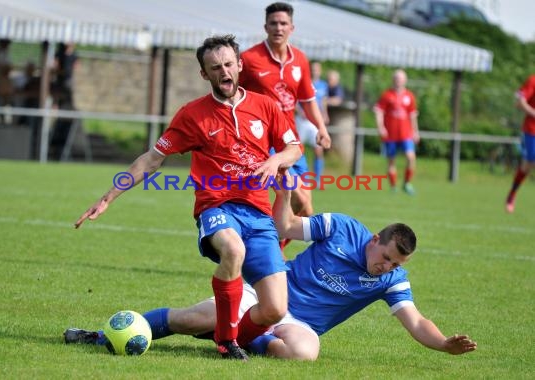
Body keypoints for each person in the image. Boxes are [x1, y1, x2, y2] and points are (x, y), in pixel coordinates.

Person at [65, 173, 477, 360]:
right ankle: (100, 336)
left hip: (301, 324)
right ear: (375, 240)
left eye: (395, 265)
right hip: (266, 294)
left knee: (303, 353)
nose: (385, 268)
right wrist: (282, 191)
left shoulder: (392, 280)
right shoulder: (344, 228)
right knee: (191, 318)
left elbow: (416, 321)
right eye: (385, 257)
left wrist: (442, 344)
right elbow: (285, 227)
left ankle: (242, 339)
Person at [73, 34, 302, 361]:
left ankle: (233, 338)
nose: (223, 72)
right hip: (217, 208)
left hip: (258, 214)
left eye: (227, 64)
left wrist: (274, 160)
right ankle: (226, 343)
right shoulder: (193, 115)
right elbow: (152, 159)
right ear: (204, 74)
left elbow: (294, 148)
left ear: (239, 65)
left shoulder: (266, 106)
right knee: (233, 250)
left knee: (275, 308)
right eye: (214, 68)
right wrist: (109, 196)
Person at [239, 2, 331, 249]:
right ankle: (268, 252)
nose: (278, 28)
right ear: (265, 26)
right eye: (273, 23)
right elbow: (233, 95)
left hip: (291, 141)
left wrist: (321, 128)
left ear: (292, 27)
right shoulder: (248, 59)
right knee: (297, 194)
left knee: (305, 207)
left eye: (283, 23)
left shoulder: (300, 59)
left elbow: (308, 100)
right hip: (263, 141)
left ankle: (270, 249)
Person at [374, 69, 420, 195]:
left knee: (411, 157)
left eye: (401, 79)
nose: (399, 81)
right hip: (391, 135)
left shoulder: (409, 96)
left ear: (405, 80)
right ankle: (393, 186)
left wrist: (415, 131)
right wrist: (380, 127)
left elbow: (413, 115)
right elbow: (379, 111)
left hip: (406, 134)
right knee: (391, 160)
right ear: (393, 80)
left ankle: (406, 183)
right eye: (397, 78)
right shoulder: (387, 95)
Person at [505, 74, 535, 213]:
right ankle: (512, 194)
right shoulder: (533, 80)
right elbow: (519, 102)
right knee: (528, 165)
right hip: (532, 130)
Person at [295, 61, 329, 183]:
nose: (315, 71)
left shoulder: (323, 85)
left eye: (317, 69)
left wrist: (325, 115)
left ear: (320, 71)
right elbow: (294, 99)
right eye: (313, 69)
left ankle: (318, 179)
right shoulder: (302, 82)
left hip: (315, 121)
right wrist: (300, 111)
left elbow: (323, 101)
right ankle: (302, 177)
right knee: (298, 150)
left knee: (318, 149)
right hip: (303, 121)